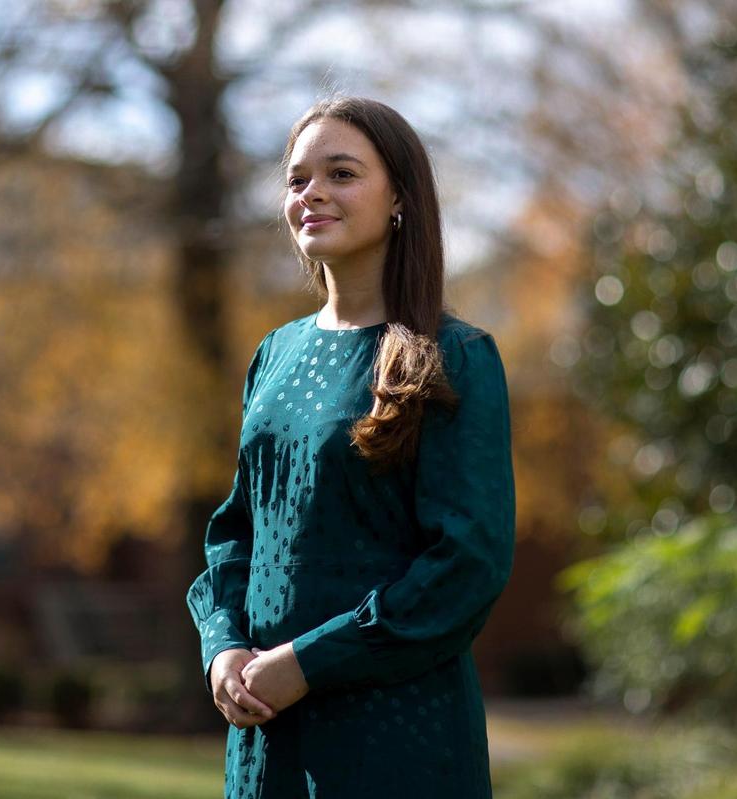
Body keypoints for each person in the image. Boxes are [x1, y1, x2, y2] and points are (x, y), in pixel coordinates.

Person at [186, 95, 516, 798]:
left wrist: (308, 661)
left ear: (399, 195)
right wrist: (223, 649)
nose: (312, 194)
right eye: (297, 179)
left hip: (397, 740)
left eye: (341, 173)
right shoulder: (274, 354)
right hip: (265, 736)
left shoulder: (454, 357)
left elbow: (466, 565)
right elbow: (235, 531)